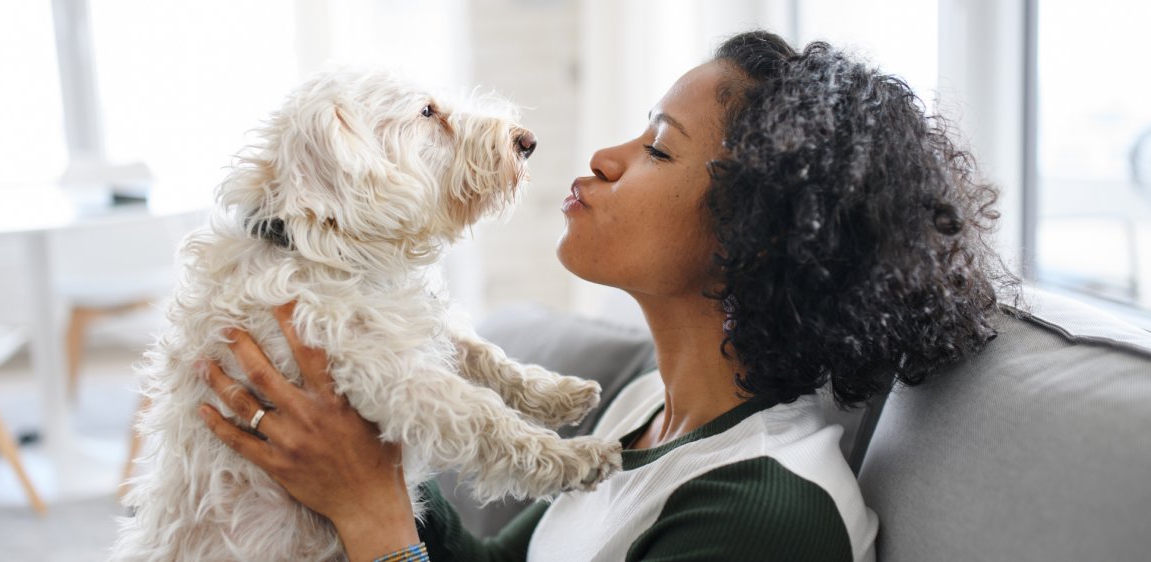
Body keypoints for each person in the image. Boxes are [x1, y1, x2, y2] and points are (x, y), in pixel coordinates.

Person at [197, 30, 1012, 561]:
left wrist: (372, 511)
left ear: (756, 233)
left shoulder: (765, 517)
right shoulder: (646, 410)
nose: (604, 155)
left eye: (658, 148)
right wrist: (355, 435)